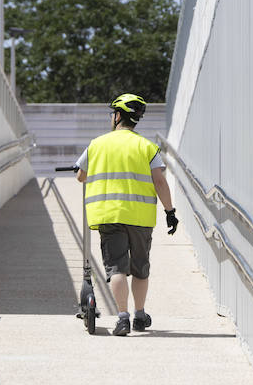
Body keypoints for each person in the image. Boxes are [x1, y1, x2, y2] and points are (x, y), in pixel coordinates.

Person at [74, 94, 179, 336]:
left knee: (117, 268)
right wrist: (169, 211)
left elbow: (81, 176)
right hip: (140, 218)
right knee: (140, 268)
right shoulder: (147, 147)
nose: (111, 117)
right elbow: (160, 181)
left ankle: (123, 318)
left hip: (109, 216)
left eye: (113, 113)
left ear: (118, 116)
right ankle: (140, 315)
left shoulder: (97, 144)